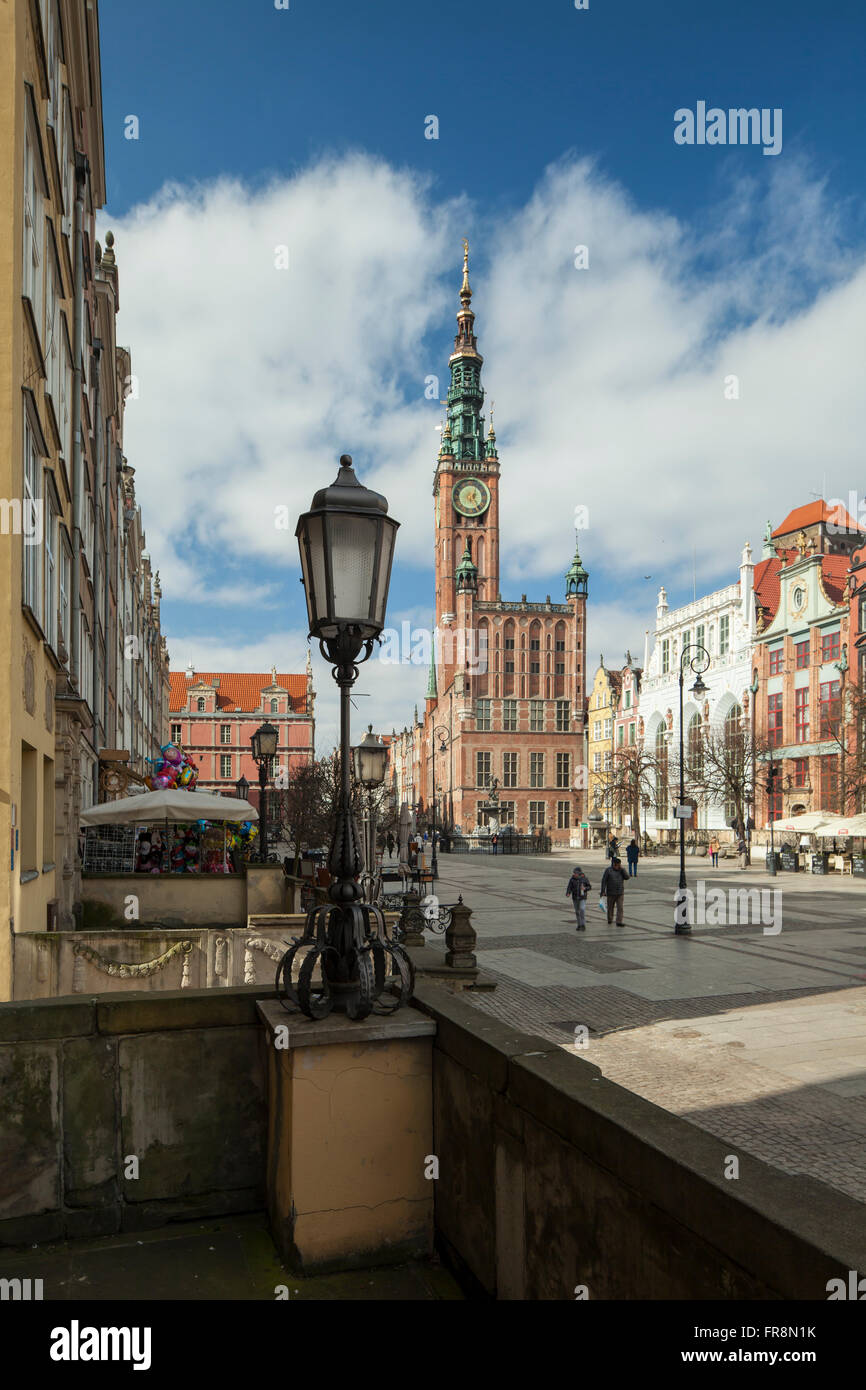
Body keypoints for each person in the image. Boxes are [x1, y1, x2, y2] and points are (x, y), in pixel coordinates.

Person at [601, 856, 628, 925]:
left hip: (620, 892)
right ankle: (610, 919)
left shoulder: (621, 870)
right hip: (610, 892)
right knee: (610, 907)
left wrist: (623, 870)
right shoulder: (608, 870)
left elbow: (627, 877)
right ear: (613, 864)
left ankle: (619, 921)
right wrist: (603, 891)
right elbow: (604, 881)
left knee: (620, 908)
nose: (617, 867)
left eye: (618, 865)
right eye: (616, 865)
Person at [566, 865, 591, 930]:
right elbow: (569, 887)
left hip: (582, 897)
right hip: (575, 897)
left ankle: (583, 924)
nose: (574, 874)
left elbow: (589, 887)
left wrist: (585, 888)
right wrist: (568, 893)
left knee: (582, 909)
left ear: (579, 873)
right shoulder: (572, 879)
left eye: (575, 873)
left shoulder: (584, 879)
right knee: (577, 911)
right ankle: (579, 925)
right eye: (574, 873)